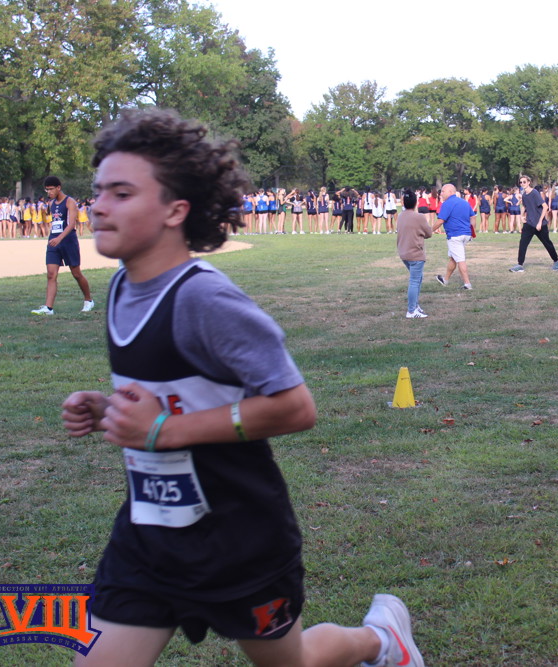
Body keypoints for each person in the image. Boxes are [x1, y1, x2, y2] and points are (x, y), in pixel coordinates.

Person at [59, 108, 424, 667]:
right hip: (150, 534)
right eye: (98, 191)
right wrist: (109, 409)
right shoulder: (121, 289)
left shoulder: (204, 299)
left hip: (238, 537)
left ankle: (380, 640)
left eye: (122, 193)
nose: (98, 206)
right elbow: (178, 394)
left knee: (294, 662)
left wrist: (164, 430)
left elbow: (295, 407)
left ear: (175, 210)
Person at [31, 176, 95, 315]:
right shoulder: (51, 203)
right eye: (47, 190)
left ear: (58, 187)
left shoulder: (69, 202)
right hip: (53, 241)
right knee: (51, 274)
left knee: (76, 273)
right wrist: (54, 238)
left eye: (51, 189)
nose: (49, 192)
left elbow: (71, 224)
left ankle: (88, 300)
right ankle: (48, 308)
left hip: (68, 241)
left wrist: (59, 238)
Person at [509, 175, 558, 273]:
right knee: (523, 243)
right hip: (529, 224)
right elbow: (524, 206)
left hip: (540, 224)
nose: (522, 184)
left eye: (524, 182)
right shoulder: (524, 194)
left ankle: (557, 261)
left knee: (547, 243)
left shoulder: (534, 193)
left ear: (529, 182)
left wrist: (540, 222)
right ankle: (520, 265)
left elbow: (545, 207)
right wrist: (522, 216)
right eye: (521, 182)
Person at [396, 189, 432, 318]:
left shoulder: (400, 216)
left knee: (418, 279)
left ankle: (415, 305)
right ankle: (411, 311)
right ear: (416, 202)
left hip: (403, 252)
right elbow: (429, 233)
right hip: (415, 253)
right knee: (415, 281)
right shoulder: (419, 217)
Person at [432, 183, 475, 290]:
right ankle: (445, 280)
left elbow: (440, 221)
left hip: (455, 235)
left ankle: (467, 284)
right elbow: (473, 216)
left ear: (451, 192)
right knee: (453, 258)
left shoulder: (447, 204)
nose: (441, 193)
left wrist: (429, 231)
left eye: (443, 191)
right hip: (465, 234)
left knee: (460, 259)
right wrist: (472, 230)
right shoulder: (464, 202)